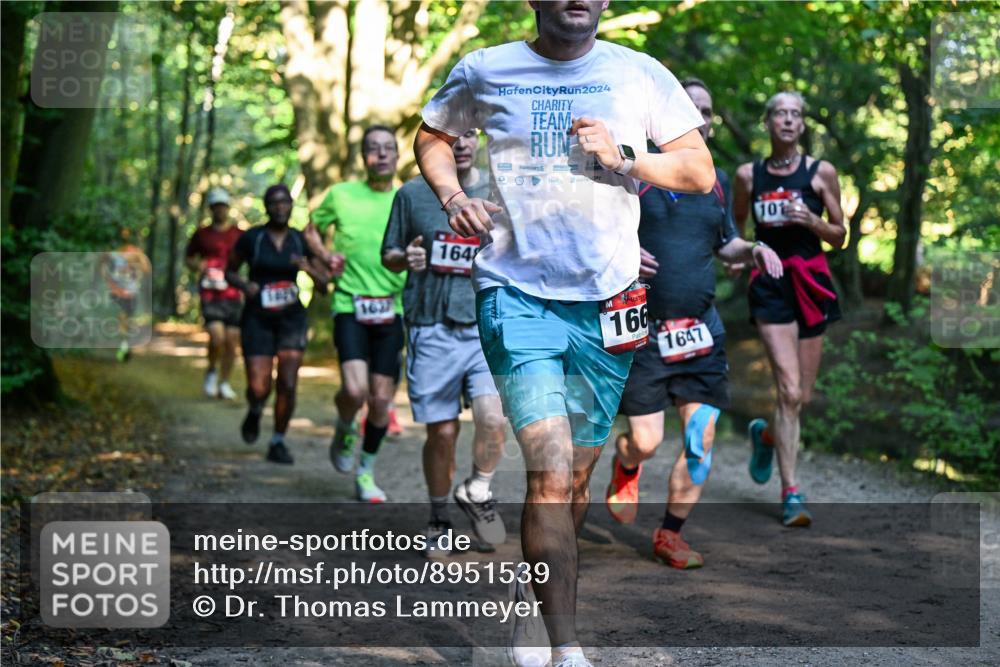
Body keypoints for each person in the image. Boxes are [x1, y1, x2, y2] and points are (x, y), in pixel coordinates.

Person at [414, 2, 715, 665]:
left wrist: (627, 155)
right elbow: (432, 134)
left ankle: (534, 592)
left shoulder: (639, 75)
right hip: (514, 294)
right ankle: (567, 646)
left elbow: (699, 171)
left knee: (576, 478)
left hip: (608, 301)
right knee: (548, 471)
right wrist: (453, 197)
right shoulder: (487, 69)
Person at [605, 79, 784, 569]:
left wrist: (753, 249)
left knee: (700, 437)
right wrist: (620, 252)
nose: (700, 118)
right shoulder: (628, 170)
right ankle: (627, 464)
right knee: (645, 440)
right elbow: (594, 238)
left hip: (700, 331)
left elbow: (726, 241)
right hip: (642, 329)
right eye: (691, 109)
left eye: (707, 111)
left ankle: (670, 533)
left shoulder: (714, 179)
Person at [382, 129, 507, 558]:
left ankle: (478, 490)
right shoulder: (412, 194)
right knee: (443, 432)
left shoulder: (500, 186)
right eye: (451, 135)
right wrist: (407, 258)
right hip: (430, 326)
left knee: (493, 418)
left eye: (471, 133)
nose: (462, 142)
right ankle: (438, 519)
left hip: (485, 324)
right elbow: (391, 253)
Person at [732, 91, 847, 527]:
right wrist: (740, 259)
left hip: (812, 281)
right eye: (779, 113)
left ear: (802, 125)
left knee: (802, 396)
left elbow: (840, 235)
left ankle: (765, 436)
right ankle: (792, 493)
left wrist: (812, 221)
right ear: (767, 122)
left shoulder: (821, 173)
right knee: (789, 390)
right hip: (771, 284)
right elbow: (738, 226)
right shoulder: (748, 174)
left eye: (795, 114)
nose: (787, 120)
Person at [304, 125, 406, 503]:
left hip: (391, 307)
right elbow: (310, 229)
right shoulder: (342, 195)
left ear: (397, 155)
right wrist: (325, 256)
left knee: (381, 401)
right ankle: (346, 426)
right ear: (364, 157)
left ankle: (366, 470)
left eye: (387, 148)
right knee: (353, 390)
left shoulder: (405, 197)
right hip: (350, 303)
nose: (380, 155)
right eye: (372, 149)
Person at [226, 184, 329, 465]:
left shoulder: (300, 240)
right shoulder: (253, 238)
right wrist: (246, 285)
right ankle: (256, 407)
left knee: (288, 382)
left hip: (291, 319)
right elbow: (230, 272)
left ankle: (278, 441)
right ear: (267, 207)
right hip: (257, 319)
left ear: (292, 205)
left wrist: (308, 269)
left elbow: (323, 286)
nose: (280, 207)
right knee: (259, 387)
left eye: (285, 202)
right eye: (274, 202)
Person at [186, 187, 244, 400]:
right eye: (216, 206)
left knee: (231, 341)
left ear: (228, 208)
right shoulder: (201, 234)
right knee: (217, 337)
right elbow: (189, 258)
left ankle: (225, 382)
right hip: (210, 294)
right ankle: (211, 371)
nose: (220, 210)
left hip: (233, 294)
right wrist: (197, 265)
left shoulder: (239, 234)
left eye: (223, 206)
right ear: (211, 209)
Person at [101, 229, 151, 363]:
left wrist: (136, 265)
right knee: (120, 318)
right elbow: (103, 268)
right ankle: (123, 345)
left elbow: (146, 269)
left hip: (130, 294)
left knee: (125, 321)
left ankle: (124, 345)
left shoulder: (136, 253)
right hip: (116, 293)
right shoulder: (113, 254)